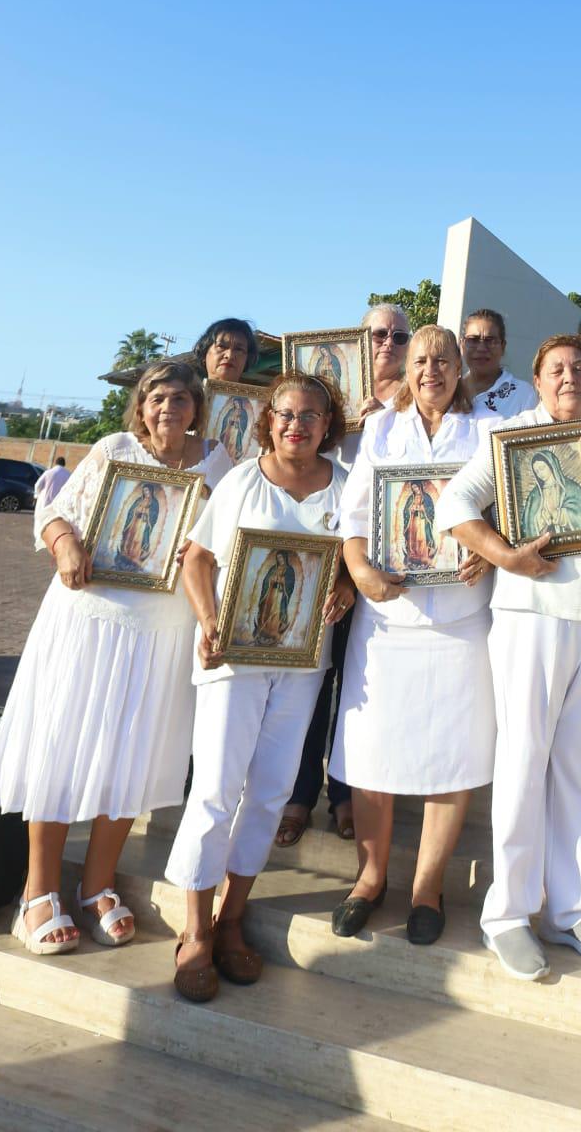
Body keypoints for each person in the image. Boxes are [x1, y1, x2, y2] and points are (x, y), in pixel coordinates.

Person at [0, 361, 233, 954]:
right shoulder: (114, 448)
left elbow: (231, 541)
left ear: (198, 404)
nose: (166, 407)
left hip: (163, 633)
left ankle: (97, 885)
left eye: (178, 397)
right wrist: (65, 544)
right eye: (154, 397)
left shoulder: (218, 462)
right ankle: (36, 892)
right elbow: (52, 511)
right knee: (62, 749)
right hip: (90, 622)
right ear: (140, 408)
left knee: (132, 758)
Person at [439, 334, 581, 980]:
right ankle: (508, 914)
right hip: (531, 616)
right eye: (557, 369)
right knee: (524, 761)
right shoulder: (511, 434)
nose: (569, 377)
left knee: (579, 768)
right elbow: (455, 506)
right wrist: (504, 556)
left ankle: (568, 907)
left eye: (579, 368)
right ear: (538, 378)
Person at [165, 372, 354, 1002]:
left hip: (303, 664)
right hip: (235, 659)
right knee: (217, 787)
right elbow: (196, 558)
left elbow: (352, 567)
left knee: (271, 789)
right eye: (286, 414)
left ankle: (232, 917)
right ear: (268, 420)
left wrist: (345, 588)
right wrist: (210, 619)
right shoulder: (243, 480)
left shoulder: (347, 490)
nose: (297, 425)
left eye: (311, 415)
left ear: (329, 425)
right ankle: (194, 931)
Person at [328, 325, 496, 943]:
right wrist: (359, 569)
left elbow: (500, 509)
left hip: (460, 618)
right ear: (408, 365)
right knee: (372, 753)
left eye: (443, 360)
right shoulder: (380, 429)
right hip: (388, 617)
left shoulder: (485, 431)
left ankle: (427, 886)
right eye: (421, 359)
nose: (432, 370)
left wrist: (489, 549)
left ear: (460, 369)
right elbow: (353, 515)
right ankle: (370, 880)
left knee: (451, 754)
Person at [278, 302, 410, 848]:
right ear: (360, 339)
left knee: (358, 684)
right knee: (312, 679)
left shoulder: (413, 405)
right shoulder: (327, 401)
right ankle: (298, 795)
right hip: (313, 552)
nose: (387, 343)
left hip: (374, 564)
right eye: (377, 333)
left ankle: (347, 791)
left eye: (399, 336)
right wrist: (342, 421)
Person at [463, 308, 537, 419]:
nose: (481, 348)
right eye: (473, 340)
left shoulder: (524, 395)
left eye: (490, 340)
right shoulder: (448, 391)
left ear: (503, 346)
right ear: (461, 344)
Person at [193, 318, 257, 384]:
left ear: (247, 359)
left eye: (239, 349)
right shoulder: (188, 393)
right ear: (204, 353)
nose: (229, 355)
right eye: (221, 346)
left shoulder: (260, 394)